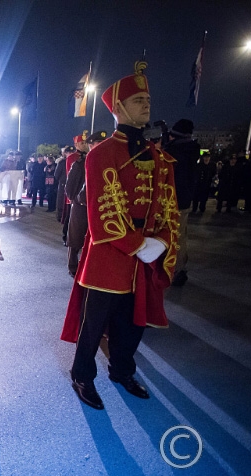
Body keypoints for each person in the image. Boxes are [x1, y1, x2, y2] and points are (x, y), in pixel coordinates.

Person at [61, 62, 179, 410]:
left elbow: (167, 203)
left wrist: (160, 240)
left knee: (133, 323)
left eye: (147, 99)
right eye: (138, 99)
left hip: (145, 252)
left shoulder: (158, 155)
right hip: (109, 256)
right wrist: (138, 245)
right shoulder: (101, 154)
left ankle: (122, 370)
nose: (146, 104)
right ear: (120, 108)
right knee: (93, 324)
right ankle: (82, 375)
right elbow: (102, 213)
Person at [163, 119, 200, 287]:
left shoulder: (176, 151)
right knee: (181, 234)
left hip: (173, 199)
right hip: (185, 199)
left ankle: (175, 270)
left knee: (173, 236)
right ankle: (179, 267)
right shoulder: (191, 149)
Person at [65, 131, 107, 277]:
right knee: (76, 238)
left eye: (103, 143)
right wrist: (78, 199)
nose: (101, 146)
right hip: (81, 207)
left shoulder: (107, 162)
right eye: (97, 143)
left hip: (99, 208)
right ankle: (73, 266)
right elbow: (69, 189)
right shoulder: (80, 164)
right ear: (90, 145)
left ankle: (91, 267)